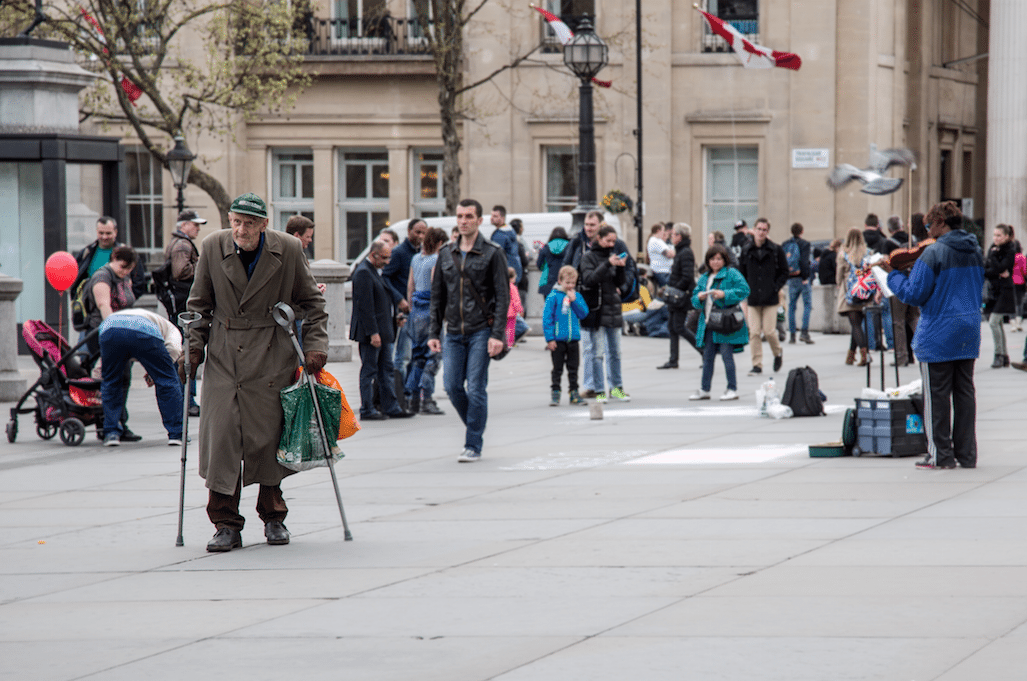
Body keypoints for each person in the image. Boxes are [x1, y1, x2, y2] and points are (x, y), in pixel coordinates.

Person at [185, 192, 328, 552]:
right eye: (236, 221)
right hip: (224, 354)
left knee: (268, 439)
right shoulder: (213, 246)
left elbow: (313, 304)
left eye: (249, 223)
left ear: (264, 224)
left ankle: (274, 516)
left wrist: (315, 347)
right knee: (222, 441)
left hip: (271, 352)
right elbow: (199, 305)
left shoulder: (289, 249)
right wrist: (193, 348)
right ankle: (225, 523)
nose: (241, 229)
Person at [884, 201, 984, 469]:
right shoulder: (975, 249)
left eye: (929, 226)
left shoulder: (933, 253)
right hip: (969, 329)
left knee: (936, 395)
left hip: (939, 331)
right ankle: (966, 454)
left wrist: (892, 276)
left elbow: (914, 294)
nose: (927, 232)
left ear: (940, 222)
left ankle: (940, 455)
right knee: (964, 393)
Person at [428, 198, 509, 463]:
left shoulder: (493, 252)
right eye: (460, 216)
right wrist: (433, 333)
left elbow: (502, 295)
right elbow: (437, 297)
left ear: (479, 220)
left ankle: (473, 443)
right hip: (453, 332)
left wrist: (497, 334)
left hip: (480, 331)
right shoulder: (446, 253)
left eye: (469, 216)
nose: (463, 221)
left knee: (475, 388)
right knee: (452, 386)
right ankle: (475, 425)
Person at [98, 309, 183, 447]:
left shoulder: (149, 317)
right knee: (167, 381)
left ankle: (111, 433)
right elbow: (173, 350)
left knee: (111, 382)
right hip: (143, 331)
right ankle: (176, 433)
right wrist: (155, 374)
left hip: (109, 328)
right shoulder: (173, 330)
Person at [350, 239, 415, 420]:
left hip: (383, 331)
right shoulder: (363, 273)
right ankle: (367, 409)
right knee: (370, 370)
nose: (387, 262)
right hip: (373, 333)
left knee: (386, 369)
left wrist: (394, 321)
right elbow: (365, 307)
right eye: (385, 258)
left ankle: (391, 407)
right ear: (373, 255)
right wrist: (373, 333)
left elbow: (381, 303)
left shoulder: (374, 271)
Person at [84, 245, 141, 442]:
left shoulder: (124, 276)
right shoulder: (102, 276)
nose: (125, 272)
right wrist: (113, 329)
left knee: (124, 378)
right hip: (104, 333)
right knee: (112, 379)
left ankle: (119, 422)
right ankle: (109, 425)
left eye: (129, 269)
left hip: (122, 332)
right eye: (123, 266)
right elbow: (103, 306)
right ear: (114, 258)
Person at [690, 244, 750, 401]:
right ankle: (705, 389)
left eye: (719, 259)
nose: (715, 262)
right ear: (708, 261)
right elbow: (694, 298)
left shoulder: (732, 274)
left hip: (725, 324)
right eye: (712, 259)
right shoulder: (704, 277)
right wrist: (699, 298)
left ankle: (732, 388)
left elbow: (744, 290)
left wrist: (724, 294)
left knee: (726, 356)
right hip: (709, 323)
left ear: (725, 260)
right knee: (707, 357)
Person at [579, 225, 631, 403]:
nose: (611, 244)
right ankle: (600, 390)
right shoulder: (588, 257)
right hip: (597, 311)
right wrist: (608, 263)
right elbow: (589, 279)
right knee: (597, 353)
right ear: (599, 239)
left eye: (613, 241)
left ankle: (617, 388)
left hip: (614, 309)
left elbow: (621, 283)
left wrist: (621, 267)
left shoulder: (613, 256)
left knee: (616, 353)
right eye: (608, 240)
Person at [165, 209, 204, 416]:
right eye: (195, 224)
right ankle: (187, 401)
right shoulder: (182, 244)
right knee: (187, 353)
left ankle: (186, 400)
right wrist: (201, 267)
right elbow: (181, 271)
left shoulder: (180, 243)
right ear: (184, 225)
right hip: (183, 307)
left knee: (185, 352)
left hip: (179, 306)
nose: (198, 228)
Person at [405, 227, 447, 415]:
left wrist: (412, 310)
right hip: (431, 310)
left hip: (416, 310)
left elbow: (410, 286)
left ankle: (411, 397)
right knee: (433, 355)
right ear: (439, 243)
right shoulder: (436, 260)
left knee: (418, 356)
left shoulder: (416, 258)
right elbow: (437, 287)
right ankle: (427, 397)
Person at [738, 218, 788, 375]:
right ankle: (757, 364)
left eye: (764, 230)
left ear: (768, 232)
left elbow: (784, 272)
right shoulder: (746, 250)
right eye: (759, 229)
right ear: (754, 230)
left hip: (770, 297)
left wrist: (775, 287)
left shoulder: (776, 250)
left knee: (769, 331)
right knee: (753, 332)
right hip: (753, 297)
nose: (761, 232)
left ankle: (777, 352)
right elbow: (742, 273)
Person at [382, 219, 424, 392]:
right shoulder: (399, 252)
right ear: (409, 231)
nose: (420, 236)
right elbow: (385, 277)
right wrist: (400, 299)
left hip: (419, 310)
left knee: (417, 353)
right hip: (403, 311)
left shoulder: (422, 253)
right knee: (403, 355)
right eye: (417, 232)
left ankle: (411, 390)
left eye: (423, 232)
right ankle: (399, 391)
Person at [543, 265, 589, 406]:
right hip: (558, 339)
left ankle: (574, 392)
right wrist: (550, 338)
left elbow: (583, 313)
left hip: (573, 338)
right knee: (557, 368)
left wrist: (574, 300)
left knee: (573, 368)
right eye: (567, 283)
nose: (570, 286)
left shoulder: (576, 296)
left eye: (572, 283)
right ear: (560, 281)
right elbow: (547, 319)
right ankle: (555, 392)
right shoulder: (553, 297)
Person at [72, 216, 146, 302]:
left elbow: (139, 281)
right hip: (90, 306)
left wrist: (125, 300)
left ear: (115, 232)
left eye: (108, 233)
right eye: (101, 233)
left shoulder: (126, 253)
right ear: (96, 232)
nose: (104, 237)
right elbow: (76, 278)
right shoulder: (87, 252)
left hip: (118, 306)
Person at [659, 223, 696, 369]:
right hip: (676, 295)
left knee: (679, 327)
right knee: (672, 327)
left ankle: (704, 352)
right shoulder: (680, 251)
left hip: (680, 296)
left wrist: (674, 289)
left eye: (673, 234)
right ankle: (673, 360)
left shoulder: (685, 252)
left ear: (679, 237)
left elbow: (687, 277)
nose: (671, 236)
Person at [837, 228, 872, 366]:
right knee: (857, 325)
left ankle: (865, 355)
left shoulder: (843, 254)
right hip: (864, 293)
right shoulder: (867, 253)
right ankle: (850, 356)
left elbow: (839, 275)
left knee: (855, 325)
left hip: (849, 293)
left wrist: (839, 283)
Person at [984, 223, 1016, 368]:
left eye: (999, 235)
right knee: (998, 323)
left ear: (1007, 236)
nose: (995, 238)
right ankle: (1004, 356)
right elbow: (987, 269)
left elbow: (1001, 266)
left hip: (1006, 290)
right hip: (995, 290)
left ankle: (998, 354)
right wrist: (996, 268)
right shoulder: (993, 248)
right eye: (994, 235)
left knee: (993, 322)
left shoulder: (1010, 249)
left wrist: (994, 258)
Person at [782, 222, 814, 344]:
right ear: (802, 231)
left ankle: (792, 336)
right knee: (807, 305)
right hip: (802, 278)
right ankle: (804, 333)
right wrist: (806, 277)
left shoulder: (785, 244)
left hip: (791, 278)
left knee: (791, 306)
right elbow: (804, 261)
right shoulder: (805, 244)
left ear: (791, 232)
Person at [489, 205, 522, 284]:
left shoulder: (500, 235)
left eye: (495, 216)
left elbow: (495, 255)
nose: (491, 218)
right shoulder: (511, 232)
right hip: (514, 272)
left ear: (502, 218)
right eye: (491, 215)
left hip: (505, 274)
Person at [537, 226, 570, 297]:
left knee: (549, 307)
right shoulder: (569, 246)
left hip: (547, 283)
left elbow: (539, 264)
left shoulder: (546, 247)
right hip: (566, 281)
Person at [646, 223, 675, 287]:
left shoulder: (658, 241)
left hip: (665, 270)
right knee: (666, 290)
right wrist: (674, 252)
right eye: (663, 230)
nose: (664, 232)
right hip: (661, 271)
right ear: (658, 231)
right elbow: (669, 254)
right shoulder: (655, 241)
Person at [506, 267, 524, 348]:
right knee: (511, 328)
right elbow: (516, 300)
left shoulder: (503, 286)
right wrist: (520, 310)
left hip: (504, 311)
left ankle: (504, 342)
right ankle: (510, 343)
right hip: (511, 312)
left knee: (504, 328)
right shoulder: (513, 287)